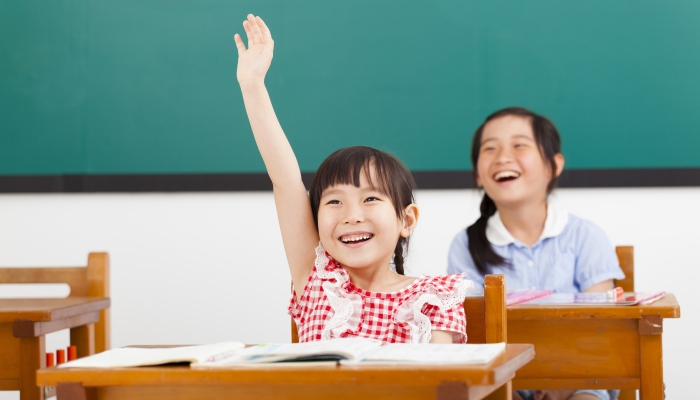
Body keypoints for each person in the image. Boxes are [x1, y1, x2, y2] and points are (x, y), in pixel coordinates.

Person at [235, 15, 471, 344]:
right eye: (334, 201)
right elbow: (286, 180)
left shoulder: (434, 298)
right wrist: (252, 86)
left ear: (406, 219)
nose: (352, 215)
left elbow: (441, 384)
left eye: (370, 198)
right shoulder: (316, 280)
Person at [447, 107, 624, 400]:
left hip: (580, 375)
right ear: (478, 174)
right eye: (489, 148)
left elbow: (601, 330)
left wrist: (560, 385)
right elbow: (472, 333)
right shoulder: (465, 245)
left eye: (519, 145)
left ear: (553, 166)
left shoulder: (586, 237)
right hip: (500, 376)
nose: (503, 156)